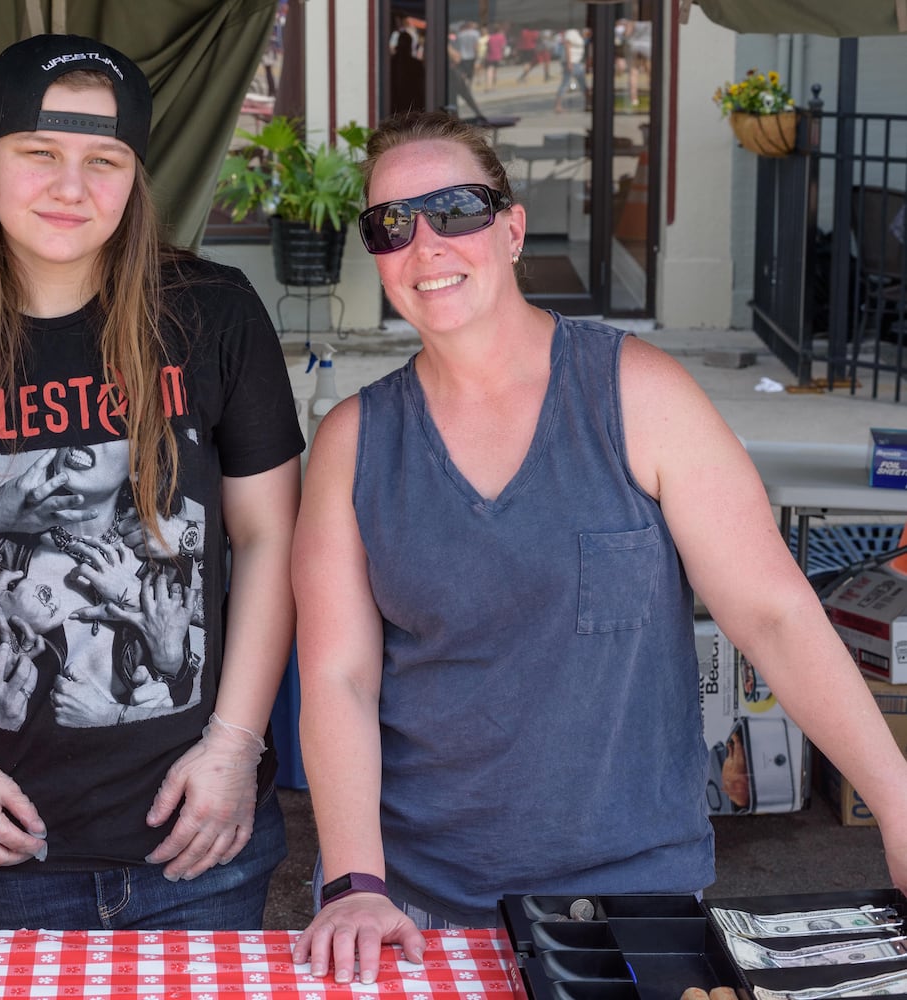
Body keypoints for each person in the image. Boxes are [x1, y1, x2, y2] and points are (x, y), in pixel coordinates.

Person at [288, 111, 907, 983]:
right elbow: (337, 678)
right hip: (417, 904)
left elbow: (770, 613)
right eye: (392, 224)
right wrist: (355, 878)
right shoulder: (354, 441)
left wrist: (898, 804)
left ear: (509, 229)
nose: (426, 244)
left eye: (456, 209)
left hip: (631, 898)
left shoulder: (639, 393)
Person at [0, 34, 303, 931]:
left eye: (105, 160)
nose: (71, 187)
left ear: (136, 177)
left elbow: (269, 538)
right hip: (1, 843)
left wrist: (234, 747)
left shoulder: (212, 315)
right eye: (39, 154)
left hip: (197, 837)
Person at [552, 26, 589, 113]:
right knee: (566, 83)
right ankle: (558, 105)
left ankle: (588, 102)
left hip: (576, 62)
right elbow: (567, 47)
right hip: (571, 62)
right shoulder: (571, 32)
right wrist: (569, 63)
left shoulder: (579, 33)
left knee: (582, 83)